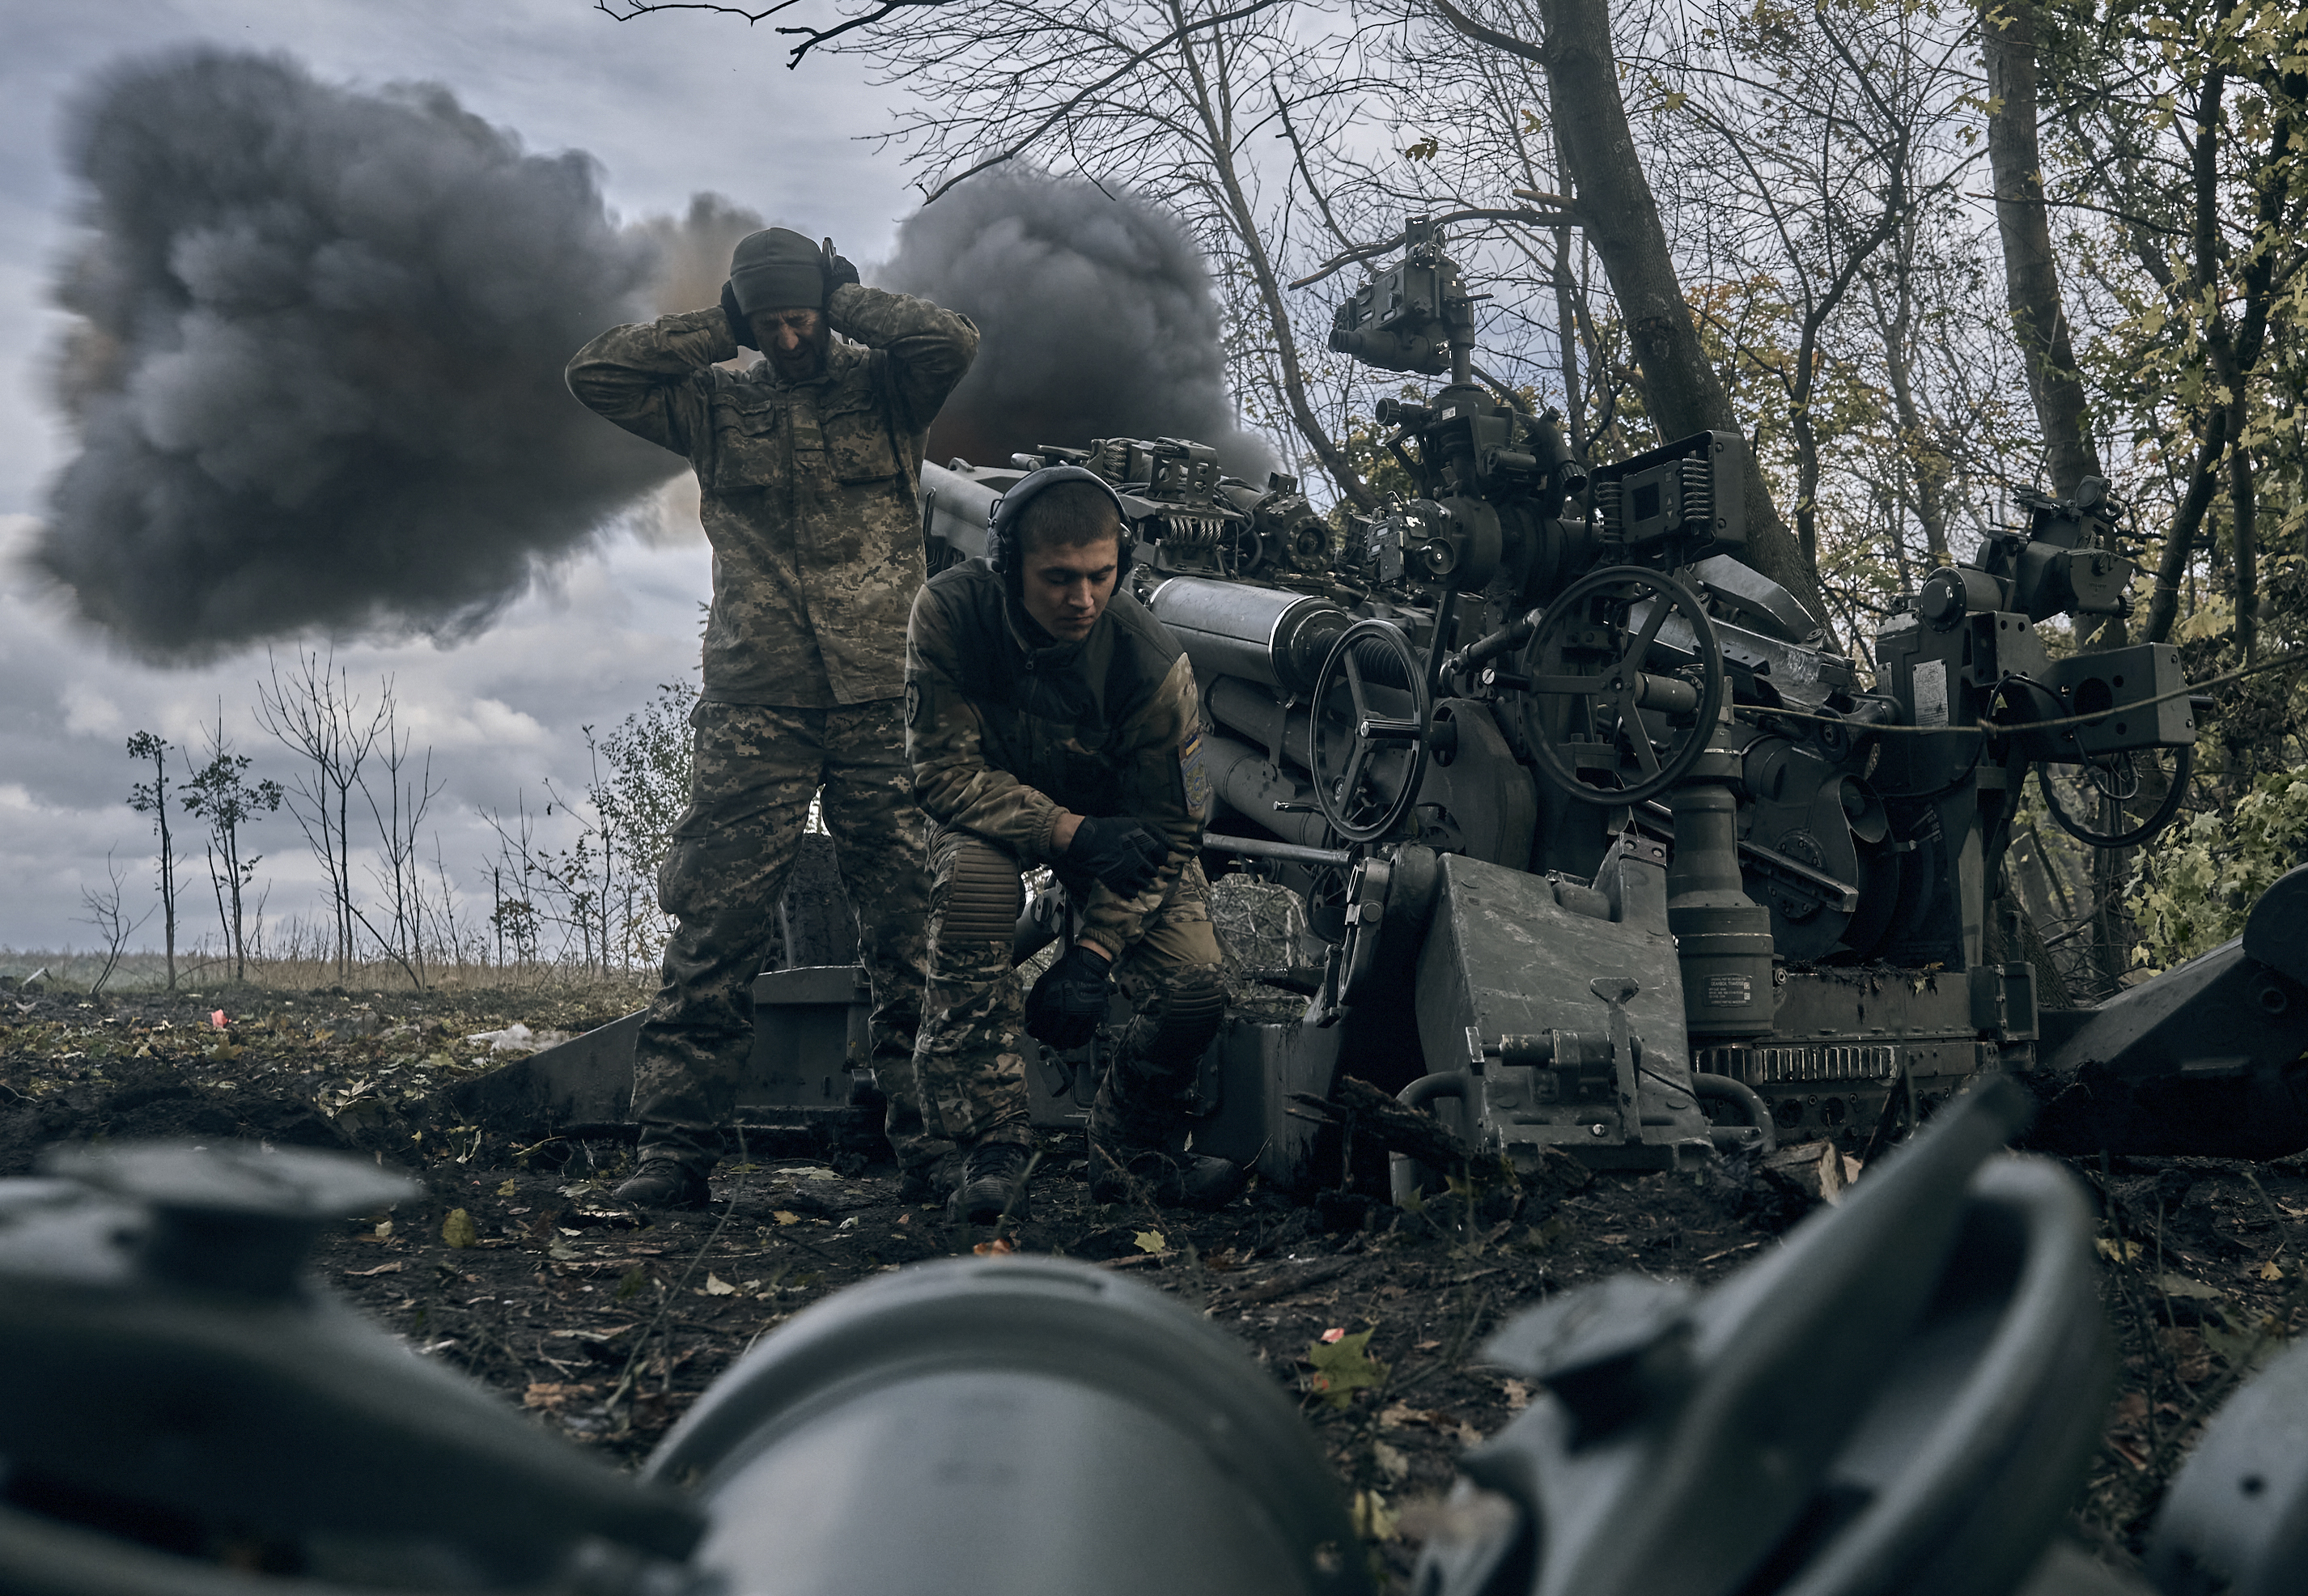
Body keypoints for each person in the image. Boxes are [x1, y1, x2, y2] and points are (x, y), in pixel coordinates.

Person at [566, 227, 978, 1209]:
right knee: (715, 923)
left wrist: (847, 302)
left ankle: (937, 1151)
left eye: (801, 319)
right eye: (773, 323)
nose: (789, 339)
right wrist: (719, 327)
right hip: (759, 700)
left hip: (886, 695)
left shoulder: (887, 390)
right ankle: (673, 1151)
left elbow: (950, 343)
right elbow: (595, 374)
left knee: (912, 926)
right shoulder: (713, 400)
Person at [905, 465, 1248, 1222]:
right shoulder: (951, 614)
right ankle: (987, 1142)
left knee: (1196, 985)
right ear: (1007, 566)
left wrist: (1092, 956)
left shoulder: (1150, 662)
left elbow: (1177, 826)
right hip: (992, 816)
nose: (1083, 599)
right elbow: (941, 772)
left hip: (1125, 839)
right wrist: (1067, 832)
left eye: (1101, 576)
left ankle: (1134, 1152)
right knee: (975, 890)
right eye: (1058, 578)